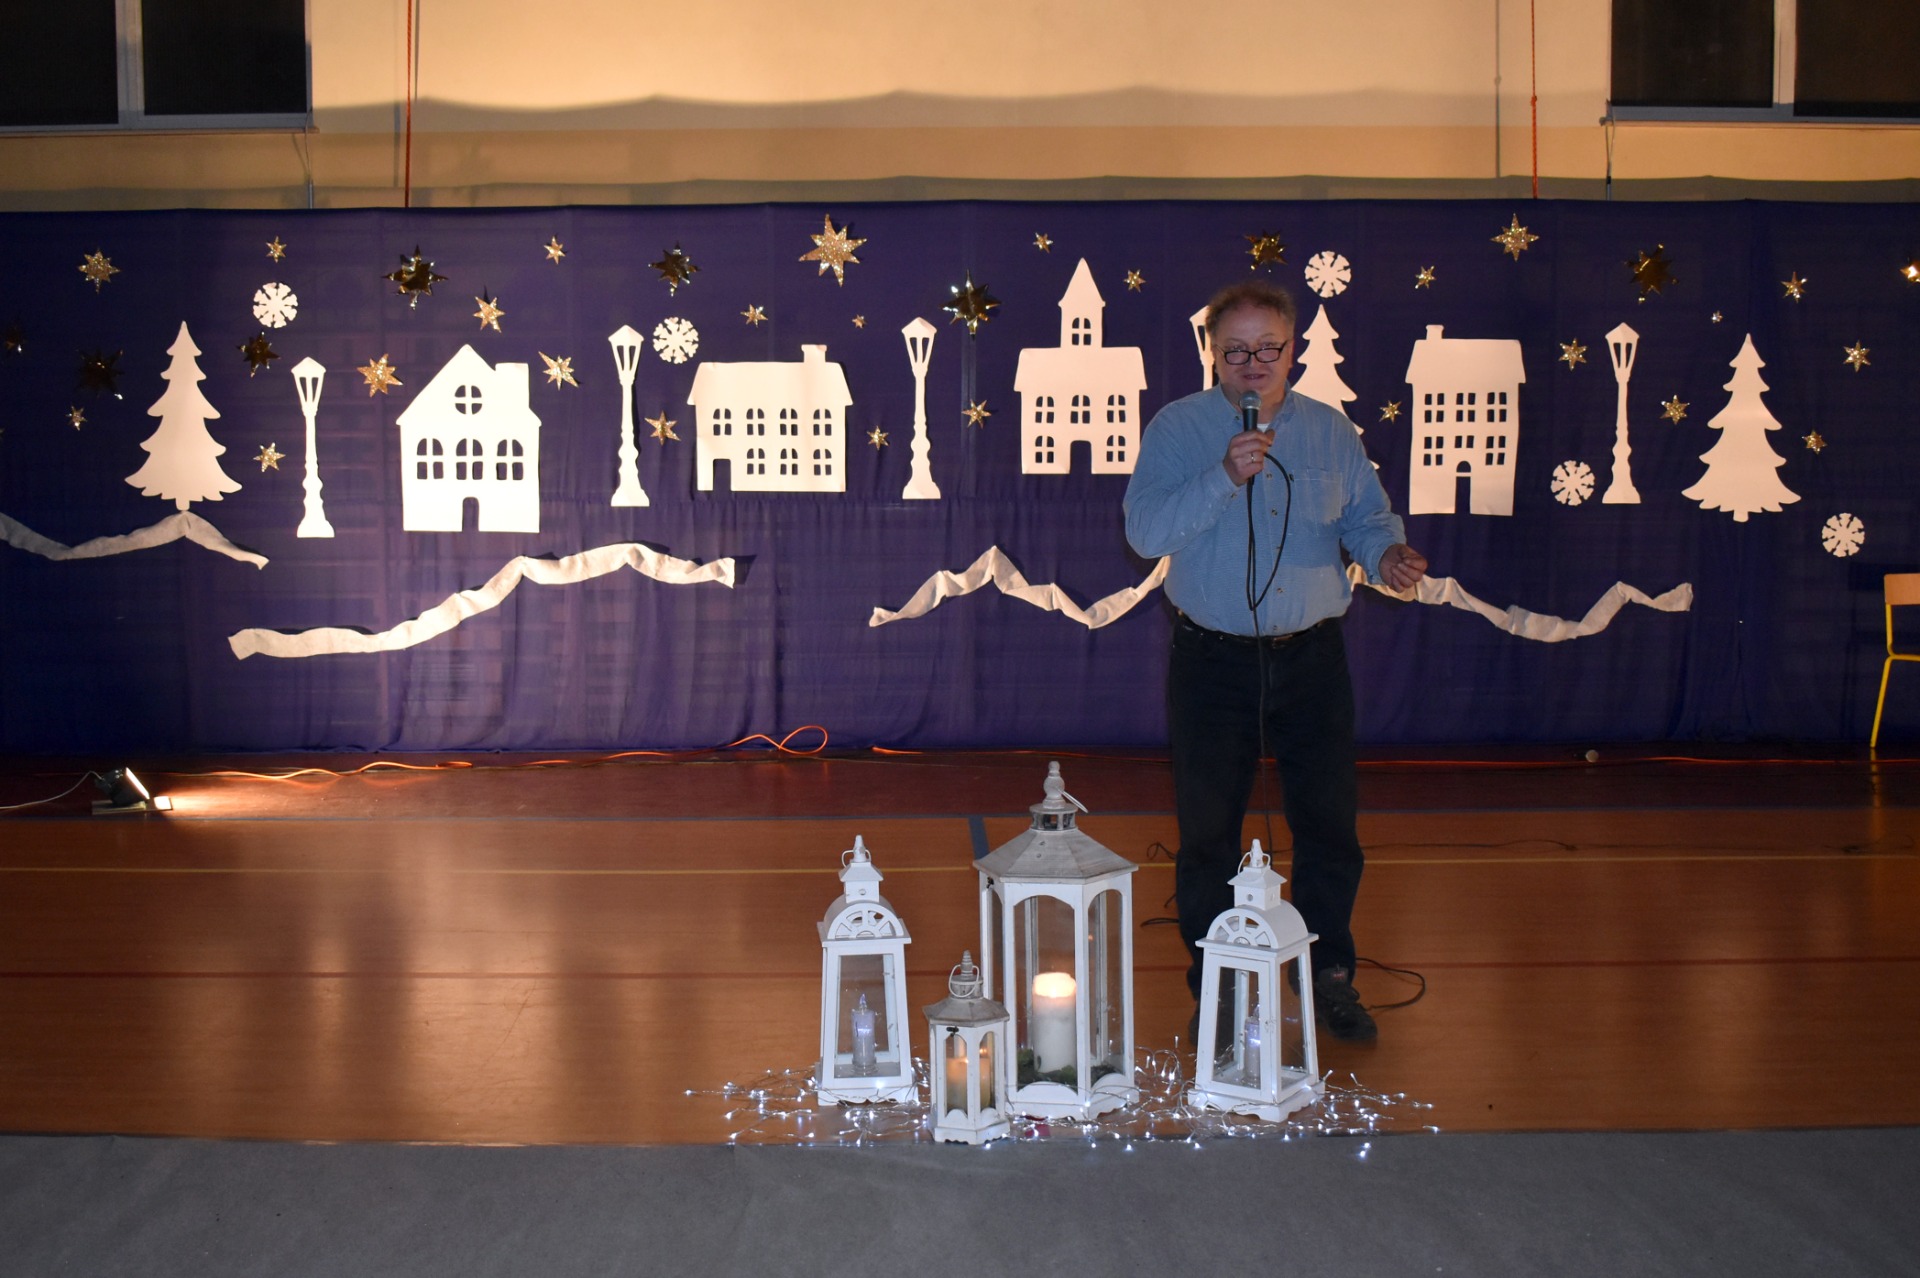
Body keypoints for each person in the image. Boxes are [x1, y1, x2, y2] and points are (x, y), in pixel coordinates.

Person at [1122, 279, 1427, 1043]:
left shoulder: (1330, 432)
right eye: (1235, 351)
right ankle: (1218, 985)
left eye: (1267, 348)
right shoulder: (1178, 428)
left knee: (1328, 826)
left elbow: (1367, 519)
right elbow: (1145, 533)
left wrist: (1386, 553)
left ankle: (1328, 975)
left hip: (1311, 660)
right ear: (1210, 353)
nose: (1252, 364)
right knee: (1208, 834)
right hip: (1211, 662)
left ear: (1293, 351)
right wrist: (1224, 475)